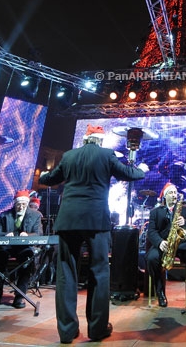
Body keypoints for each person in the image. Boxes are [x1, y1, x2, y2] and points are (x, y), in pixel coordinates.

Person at [39, 124, 148, 344]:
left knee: (66, 274)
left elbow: (50, 179)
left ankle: (67, 331)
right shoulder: (107, 155)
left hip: (68, 220)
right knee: (99, 272)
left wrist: (43, 174)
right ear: (100, 140)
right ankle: (97, 328)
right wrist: (142, 170)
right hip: (96, 221)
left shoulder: (69, 156)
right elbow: (128, 174)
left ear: (85, 140)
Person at [145, 182, 186, 312]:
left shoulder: (184, 209)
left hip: (180, 244)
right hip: (163, 244)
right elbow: (151, 232)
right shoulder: (155, 212)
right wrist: (160, 242)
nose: (174, 195)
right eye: (171, 193)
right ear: (165, 196)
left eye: (175, 193)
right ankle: (160, 292)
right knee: (152, 258)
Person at [0, 189, 44, 308]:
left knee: (27, 260)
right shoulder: (4, 215)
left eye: (24, 204)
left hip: (23, 247)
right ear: (14, 204)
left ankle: (19, 297)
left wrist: (28, 235)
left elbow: (39, 234)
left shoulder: (35, 215)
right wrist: (5, 234)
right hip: (6, 247)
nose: (21, 207)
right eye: (18, 204)